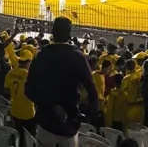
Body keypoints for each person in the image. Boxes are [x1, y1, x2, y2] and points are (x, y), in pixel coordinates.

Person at [26, 17, 98, 147]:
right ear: (69, 34)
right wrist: (86, 117)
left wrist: (49, 106)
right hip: (69, 125)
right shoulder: (77, 56)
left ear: (53, 32)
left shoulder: (41, 54)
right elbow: (92, 90)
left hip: (45, 122)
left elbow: (28, 89)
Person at [7, 50, 37, 142]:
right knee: (29, 139)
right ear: (28, 62)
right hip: (28, 113)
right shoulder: (29, 75)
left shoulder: (10, 73)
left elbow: (7, 90)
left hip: (15, 110)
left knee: (18, 138)